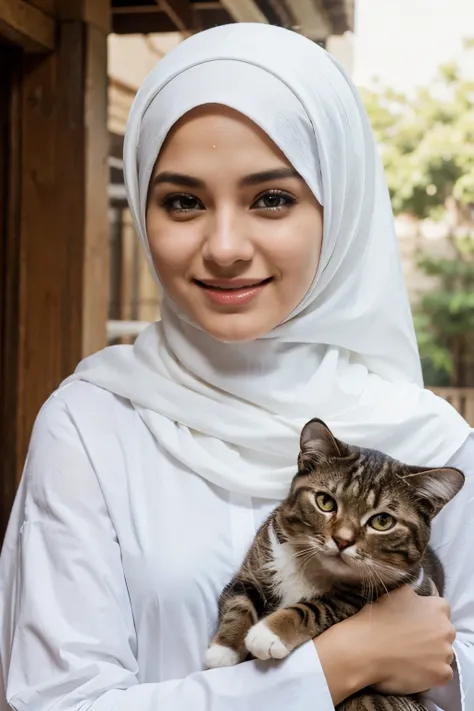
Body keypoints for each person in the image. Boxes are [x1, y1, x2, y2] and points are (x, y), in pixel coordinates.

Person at [0, 22, 473, 711]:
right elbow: (57, 701)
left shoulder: (429, 438)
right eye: (183, 200)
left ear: (336, 209)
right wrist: (338, 664)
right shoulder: (91, 423)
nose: (224, 246)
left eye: (271, 198)